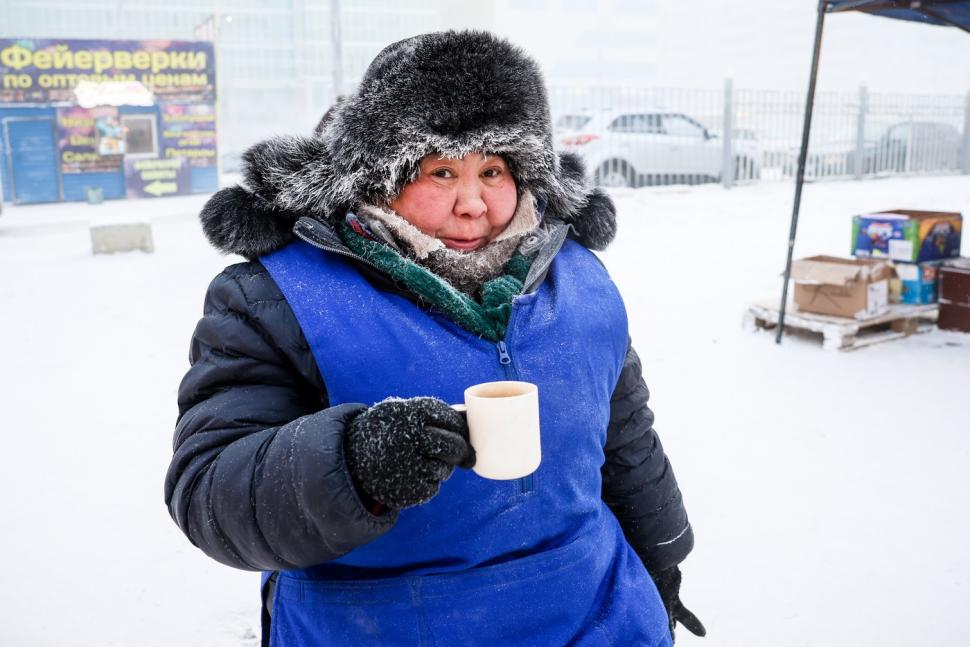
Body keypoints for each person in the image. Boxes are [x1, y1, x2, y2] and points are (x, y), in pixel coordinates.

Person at [165, 30, 705, 646]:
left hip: (595, 617)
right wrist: (351, 464)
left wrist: (662, 558)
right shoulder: (275, 298)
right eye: (441, 170)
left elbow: (624, 434)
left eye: (494, 170)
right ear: (379, 177)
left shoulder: (577, 278)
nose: (473, 203)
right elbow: (207, 489)